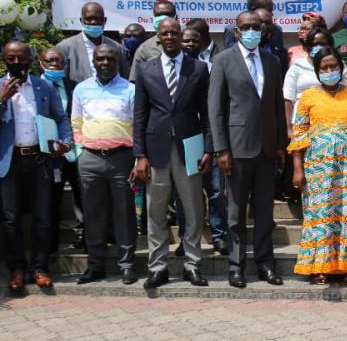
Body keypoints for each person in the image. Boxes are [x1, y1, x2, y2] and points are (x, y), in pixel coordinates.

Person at [209, 11, 288, 288]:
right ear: (237, 30)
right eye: (247, 27)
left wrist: (281, 144)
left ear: (264, 29)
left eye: (257, 26)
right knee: (235, 213)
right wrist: (221, 150)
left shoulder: (272, 61)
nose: (252, 31)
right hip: (236, 149)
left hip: (267, 149)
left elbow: (277, 104)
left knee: (265, 211)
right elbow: (215, 109)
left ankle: (266, 263)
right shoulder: (222, 60)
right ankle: (236, 265)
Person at [133, 18, 212, 289]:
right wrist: (139, 154)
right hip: (156, 151)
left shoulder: (199, 68)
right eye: (165, 33)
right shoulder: (145, 70)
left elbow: (206, 113)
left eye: (174, 33)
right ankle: (158, 267)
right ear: (158, 36)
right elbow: (140, 115)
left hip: (190, 147)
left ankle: (192, 264)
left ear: (181, 36)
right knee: (155, 211)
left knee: (192, 208)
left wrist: (209, 149)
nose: (170, 37)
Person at [288, 47, 347, 284]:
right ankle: (319, 266)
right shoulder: (308, 97)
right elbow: (299, 135)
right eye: (324, 68)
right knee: (320, 214)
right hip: (317, 168)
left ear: (340, 68)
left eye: (333, 67)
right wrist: (297, 169)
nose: (329, 71)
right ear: (317, 72)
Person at [0, 41, 72, 295]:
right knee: (11, 219)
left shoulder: (44, 86)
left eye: (22, 58)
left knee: (43, 218)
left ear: (31, 60)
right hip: (10, 162)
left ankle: (40, 268)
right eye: (11, 58)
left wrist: (65, 142)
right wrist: (2, 100)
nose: (17, 63)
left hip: (40, 159)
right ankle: (16, 270)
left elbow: (61, 119)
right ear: (4, 59)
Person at [71, 44, 137, 285]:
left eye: (110, 59)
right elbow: (76, 122)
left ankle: (127, 265)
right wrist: (81, 153)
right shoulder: (82, 89)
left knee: (125, 213)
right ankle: (95, 265)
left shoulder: (130, 89)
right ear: (94, 62)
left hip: (122, 158)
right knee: (93, 213)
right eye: (101, 59)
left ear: (118, 61)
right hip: (90, 158)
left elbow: (137, 126)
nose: (105, 63)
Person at [179, 26, 229, 256]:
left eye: (194, 41)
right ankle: (187, 238)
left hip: (210, 138)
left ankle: (219, 235)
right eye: (185, 40)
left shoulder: (212, 68)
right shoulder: (173, 71)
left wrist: (215, 144)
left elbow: (217, 109)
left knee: (216, 191)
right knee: (186, 194)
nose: (189, 44)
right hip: (184, 139)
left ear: (202, 44)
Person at [40, 48, 84, 252]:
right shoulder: (35, 86)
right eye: (50, 61)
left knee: (82, 197)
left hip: (73, 151)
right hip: (45, 155)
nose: (54, 65)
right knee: (50, 200)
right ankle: (50, 245)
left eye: (58, 61)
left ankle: (85, 239)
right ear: (41, 63)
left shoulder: (74, 87)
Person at [284, 27, 347, 140]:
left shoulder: (339, 65)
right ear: (308, 46)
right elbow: (288, 98)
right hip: (303, 122)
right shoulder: (297, 66)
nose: (318, 47)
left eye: (322, 43)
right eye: (314, 44)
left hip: (334, 121)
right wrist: (289, 128)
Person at [55, 2, 130, 82]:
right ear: (81, 21)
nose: (93, 22)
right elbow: (61, 82)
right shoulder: (65, 48)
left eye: (97, 18)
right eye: (89, 18)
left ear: (104, 21)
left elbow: (124, 78)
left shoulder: (117, 48)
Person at [129, 0, 179, 82]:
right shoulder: (145, 48)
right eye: (158, 15)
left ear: (176, 17)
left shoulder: (187, 42)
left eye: (167, 14)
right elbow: (135, 80)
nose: (162, 18)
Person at [254, 7, 289, 76]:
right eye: (260, 22)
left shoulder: (280, 52)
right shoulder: (241, 50)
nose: (263, 26)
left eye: (267, 23)